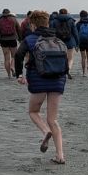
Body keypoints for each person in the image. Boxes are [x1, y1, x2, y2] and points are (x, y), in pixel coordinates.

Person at [14, 10, 66, 164]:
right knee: (53, 119)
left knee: (33, 111)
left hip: (39, 80)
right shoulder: (57, 39)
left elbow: (18, 55)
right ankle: (60, 156)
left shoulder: (30, 39)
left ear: (32, 24)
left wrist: (19, 75)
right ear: (47, 23)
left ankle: (45, 131)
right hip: (57, 81)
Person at [51, 8, 79, 79]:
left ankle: (61, 71)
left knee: (60, 58)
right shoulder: (71, 20)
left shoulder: (54, 21)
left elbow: (51, 32)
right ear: (67, 13)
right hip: (70, 42)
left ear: (59, 13)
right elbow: (75, 33)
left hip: (58, 42)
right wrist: (77, 44)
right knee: (70, 58)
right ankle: (68, 70)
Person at [0, 8, 21, 78]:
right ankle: (12, 66)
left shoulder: (0, 21)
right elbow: (19, 29)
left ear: (2, 13)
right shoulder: (14, 19)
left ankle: (9, 75)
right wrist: (20, 39)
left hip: (3, 40)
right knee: (14, 56)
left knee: (6, 58)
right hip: (12, 39)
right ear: (9, 13)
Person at [76, 10, 88, 76]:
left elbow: (76, 35)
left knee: (83, 57)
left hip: (81, 42)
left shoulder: (78, 24)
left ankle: (84, 72)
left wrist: (77, 45)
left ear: (80, 16)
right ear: (87, 15)